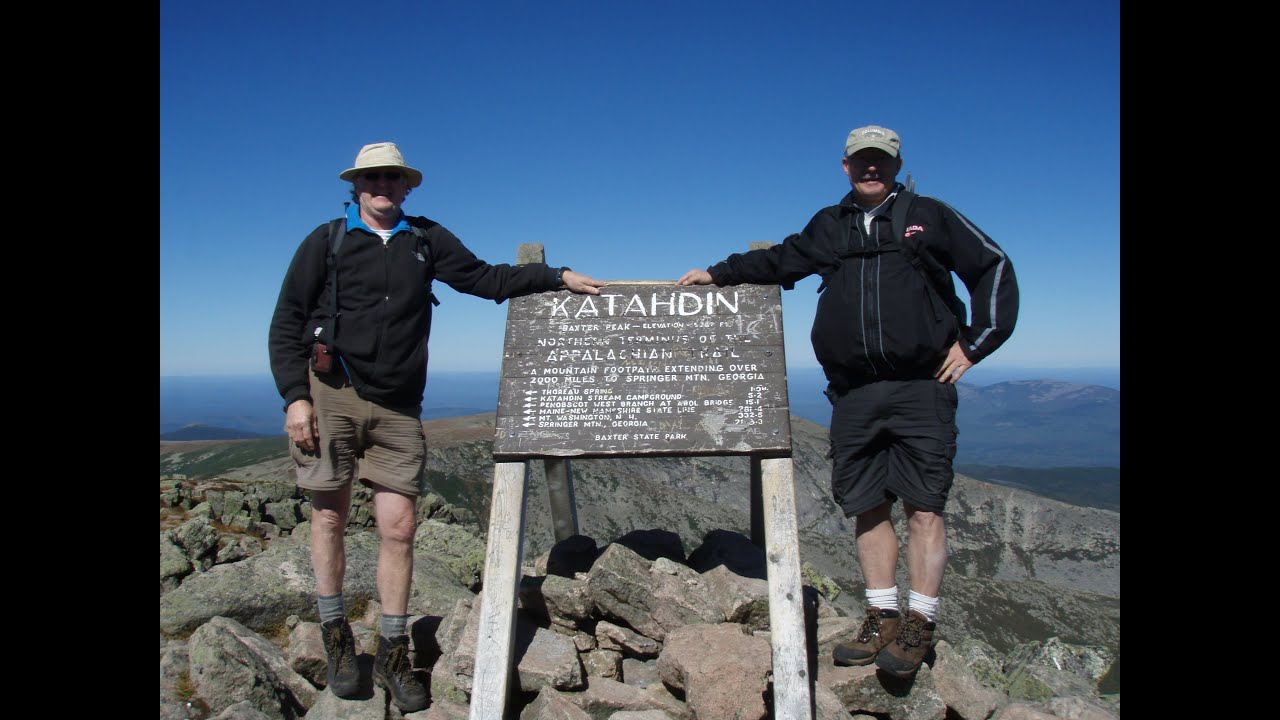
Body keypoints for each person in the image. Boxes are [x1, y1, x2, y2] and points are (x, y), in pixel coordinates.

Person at [269, 141, 604, 710]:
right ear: (356, 185)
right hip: (331, 395)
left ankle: (395, 650)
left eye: (392, 178)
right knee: (329, 515)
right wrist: (295, 398)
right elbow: (287, 321)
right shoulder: (325, 241)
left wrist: (557, 275)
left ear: (407, 186)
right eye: (372, 177)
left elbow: (485, 279)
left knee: (398, 528)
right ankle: (337, 641)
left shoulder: (425, 239)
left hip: (399, 405)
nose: (382, 185)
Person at [677, 125, 1018, 677]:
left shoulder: (928, 214)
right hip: (854, 393)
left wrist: (976, 343)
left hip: (922, 386)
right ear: (845, 165)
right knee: (866, 505)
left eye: (880, 160)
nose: (870, 168)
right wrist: (719, 273)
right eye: (861, 160)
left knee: (925, 507)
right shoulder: (829, 225)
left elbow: (993, 266)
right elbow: (782, 260)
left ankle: (919, 623)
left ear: (895, 161)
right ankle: (882, 615)